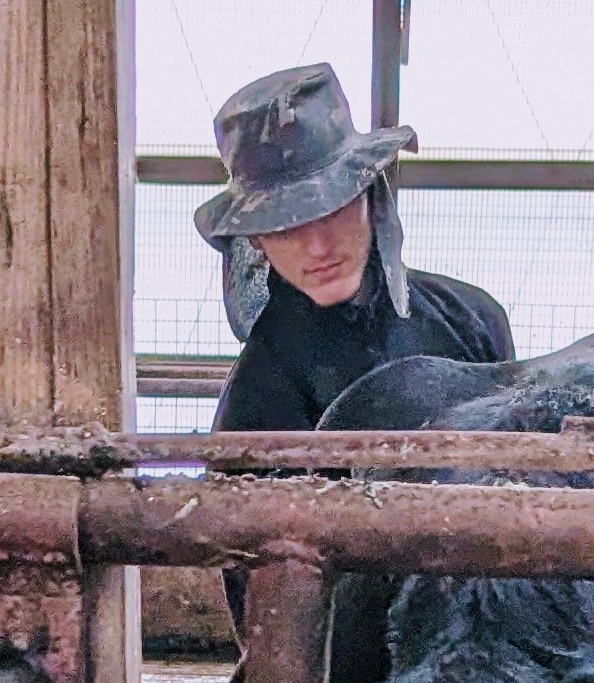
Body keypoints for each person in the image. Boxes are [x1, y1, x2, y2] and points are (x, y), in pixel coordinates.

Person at [197, 62, 514, 432]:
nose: (317, 248)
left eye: (334, 209)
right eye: (285, 226)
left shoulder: (473, 321)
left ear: (370, 195)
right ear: (256, 238)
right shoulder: (257, 395)